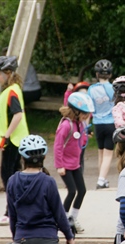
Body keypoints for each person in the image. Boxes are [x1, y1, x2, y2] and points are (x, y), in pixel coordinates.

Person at [7, 135, 75, 244]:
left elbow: (12, 214)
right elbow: (59, 212)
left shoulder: (12, 181)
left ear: (22, 158)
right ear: (44, 157)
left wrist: (16, 237)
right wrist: (69, 236)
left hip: (22, 238)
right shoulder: (48, 181)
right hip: (47, 238)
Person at [0, 56, 29, 225]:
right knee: (15, 176)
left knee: (8, 176)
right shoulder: (12, 89)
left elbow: (18, 115)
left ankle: (10, 213)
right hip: (14, 139)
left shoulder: (12, 91)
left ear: (8, 73)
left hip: (12, 140)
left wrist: (5, 136)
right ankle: (18, 211)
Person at [54, 92, 94, 233]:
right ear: (75, 111)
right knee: (72, 191)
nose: (86, 117)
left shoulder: (79, 123)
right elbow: (58, 146)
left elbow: (79, 140)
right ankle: (63, 220)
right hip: (65, 165)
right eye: (84, 114)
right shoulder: (66, 125)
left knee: (82, 191)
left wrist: (85, 136)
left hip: (75, 164)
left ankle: (73, 218)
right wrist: (59, 166)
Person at [87, 59, 115, 189]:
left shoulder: (91, 89)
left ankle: (103, 179)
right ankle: (101, 180)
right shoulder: (114, 88)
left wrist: (87, 127)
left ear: (97, 74)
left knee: (101, 152)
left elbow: (88, 110)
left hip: (97, 124)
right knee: (108, 154)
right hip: (111, 123)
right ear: (110, 74)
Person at [63, 81, 92, 174]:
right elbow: (67, 104)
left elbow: (88, 119)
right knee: (72, 158)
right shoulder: (73, 110)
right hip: (73, 137)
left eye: (85, 94)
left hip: (82, 137)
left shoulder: (87, 110)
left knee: (80, 159)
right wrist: (68, 92)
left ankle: (79, 176)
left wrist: (88, 131)